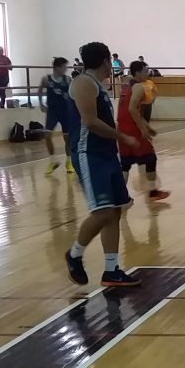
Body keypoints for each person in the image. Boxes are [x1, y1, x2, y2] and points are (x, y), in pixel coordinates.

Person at [64, 41, 141, 288]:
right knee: (103, 211)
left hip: (107, 154)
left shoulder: (98, 85)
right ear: (106, 60)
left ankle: (111, 270)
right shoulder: (84, 83)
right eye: (111, 62)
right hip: (89, 154)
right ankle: (74, 254)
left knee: (115, 210)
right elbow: (90, 122)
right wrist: (123, 137)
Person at [117, 60, 171, 202]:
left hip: (122, 128)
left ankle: (119, 196)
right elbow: (132, 109)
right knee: (151, 159)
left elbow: (130, 111)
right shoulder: (139, 87)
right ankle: (153, 192)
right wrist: (142, 128)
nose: (148, 74)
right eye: (145, 71)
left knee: (125, 164)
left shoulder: (125, 87)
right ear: (137, 72)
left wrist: (148, 127)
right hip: (133, 129)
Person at [36, 57, 75, 175]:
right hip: (52, 112)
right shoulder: (46, 79)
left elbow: (73, 94)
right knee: (47, 136)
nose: (66, 69)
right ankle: (52, 161)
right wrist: (41, 103)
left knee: (67, 139)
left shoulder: (68, 80)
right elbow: (39, 90)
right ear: (57, 67)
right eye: (64, 67)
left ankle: (68, 162)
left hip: (65, 112)